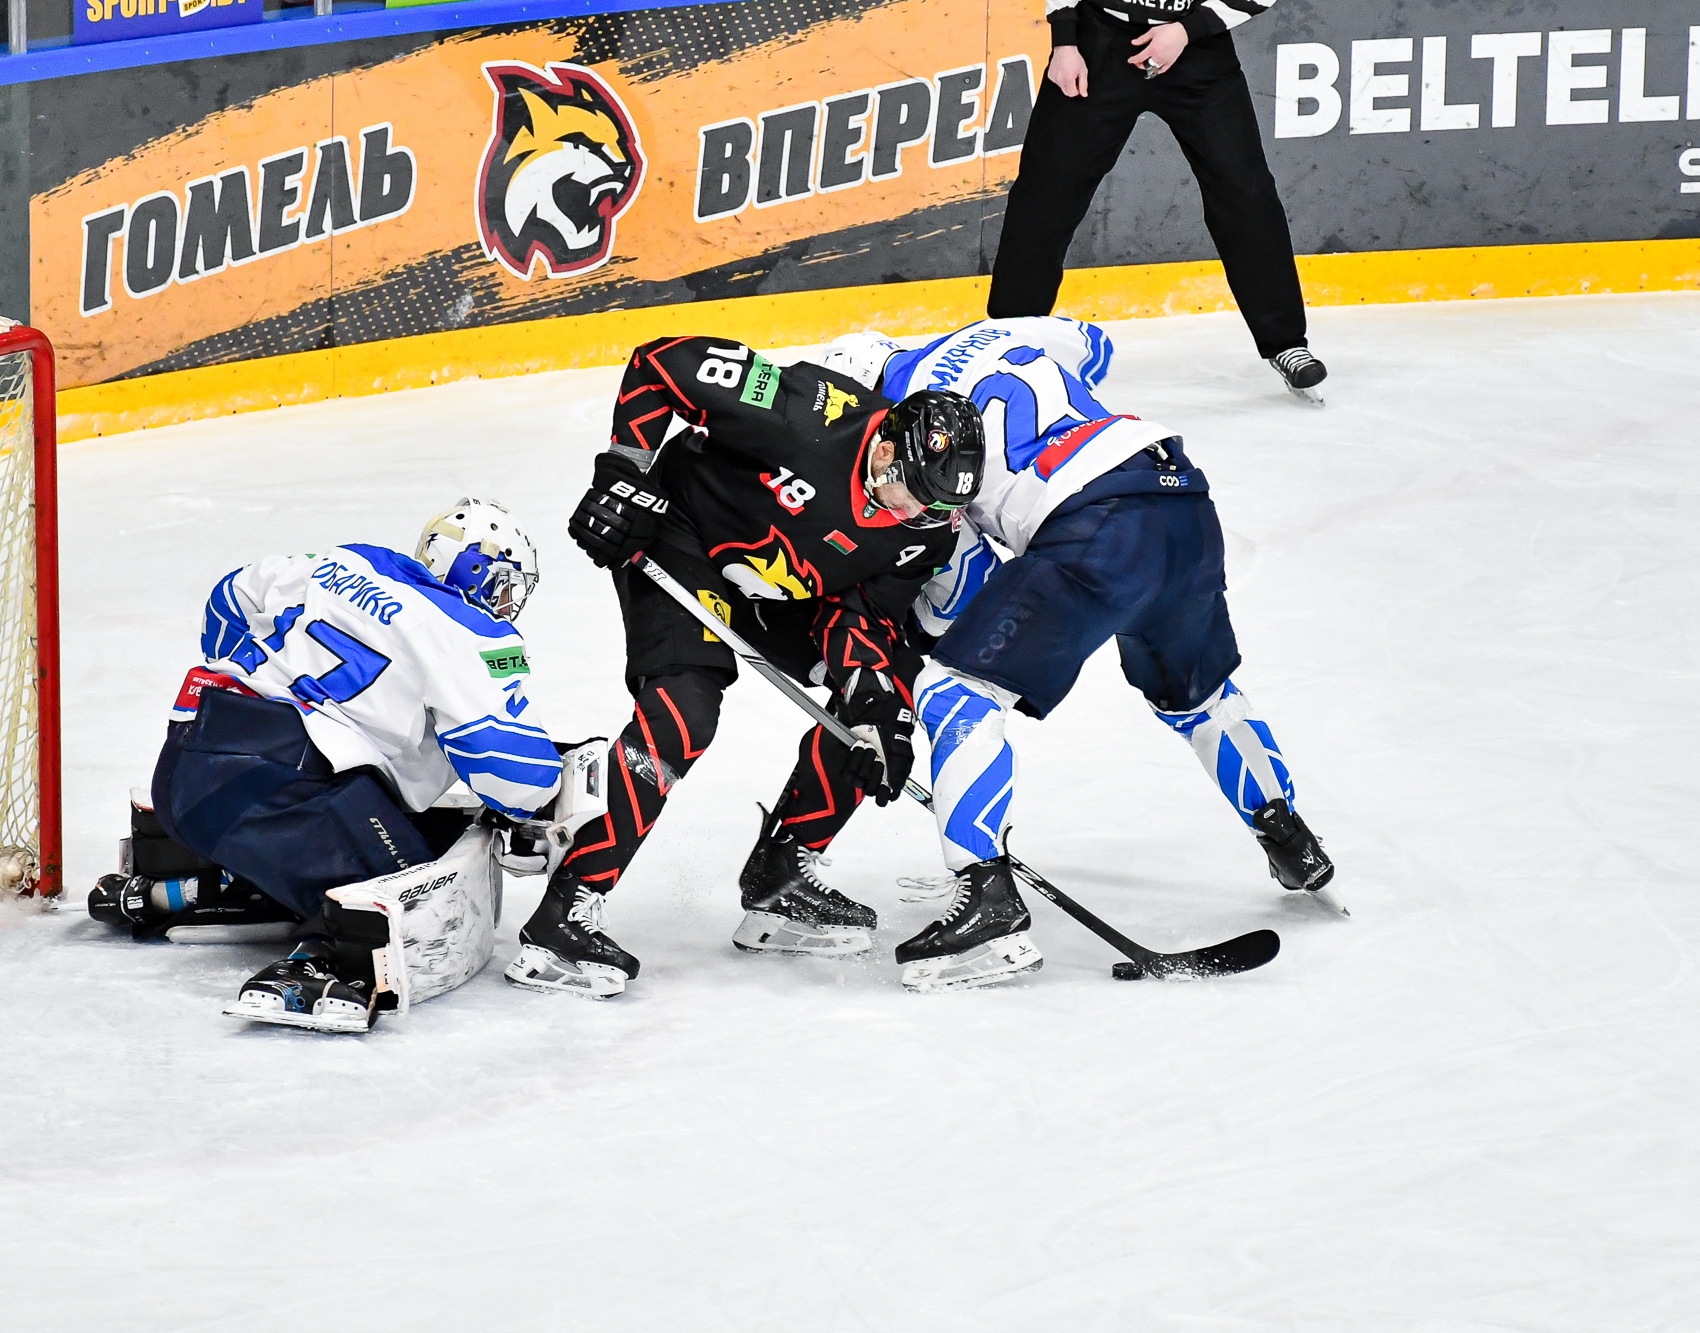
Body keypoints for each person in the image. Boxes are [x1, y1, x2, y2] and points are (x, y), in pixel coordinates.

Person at [817, 320, 1337, 990]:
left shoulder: (920, 440)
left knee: (954, 691)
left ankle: (987, 904)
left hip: (1093, 525)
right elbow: (1094, 344)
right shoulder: (990, 334)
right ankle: (1290, 840)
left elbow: (963, 593)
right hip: (1180, 499)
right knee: (1199, 699)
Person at [507, 336, 986, 998]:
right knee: (684, 710)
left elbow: (864, 614)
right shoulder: (807, 412)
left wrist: (873, 701)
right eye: (913, 495)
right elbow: (659, 364)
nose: (918, 516)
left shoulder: (927, 527)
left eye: (936, 506)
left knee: (881, 698)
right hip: (680, 540)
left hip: (778, 588)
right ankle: (566, 912)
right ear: (884, 451)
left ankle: (781, 879)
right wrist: (622, 476)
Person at [92, 500, 578, 1032]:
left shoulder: (350, 561)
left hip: (185, 767)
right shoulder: (471, 631)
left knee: (312, 833)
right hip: (288, 789)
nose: (508, 602)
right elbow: (511, 773)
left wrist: (265, 680)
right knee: (412, 885)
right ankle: (317, 962)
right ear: (481, 571)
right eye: (507, 585)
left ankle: (176, 888)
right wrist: (543, 797)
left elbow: (229, 595)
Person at [987, 0, 1329, 403]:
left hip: (1197, 51)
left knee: (1245, 193)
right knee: (1045, 194)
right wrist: (1064, 41)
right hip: (1098, 45)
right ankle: (1008, 342)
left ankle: (1285, 343)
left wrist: (1187, 30)